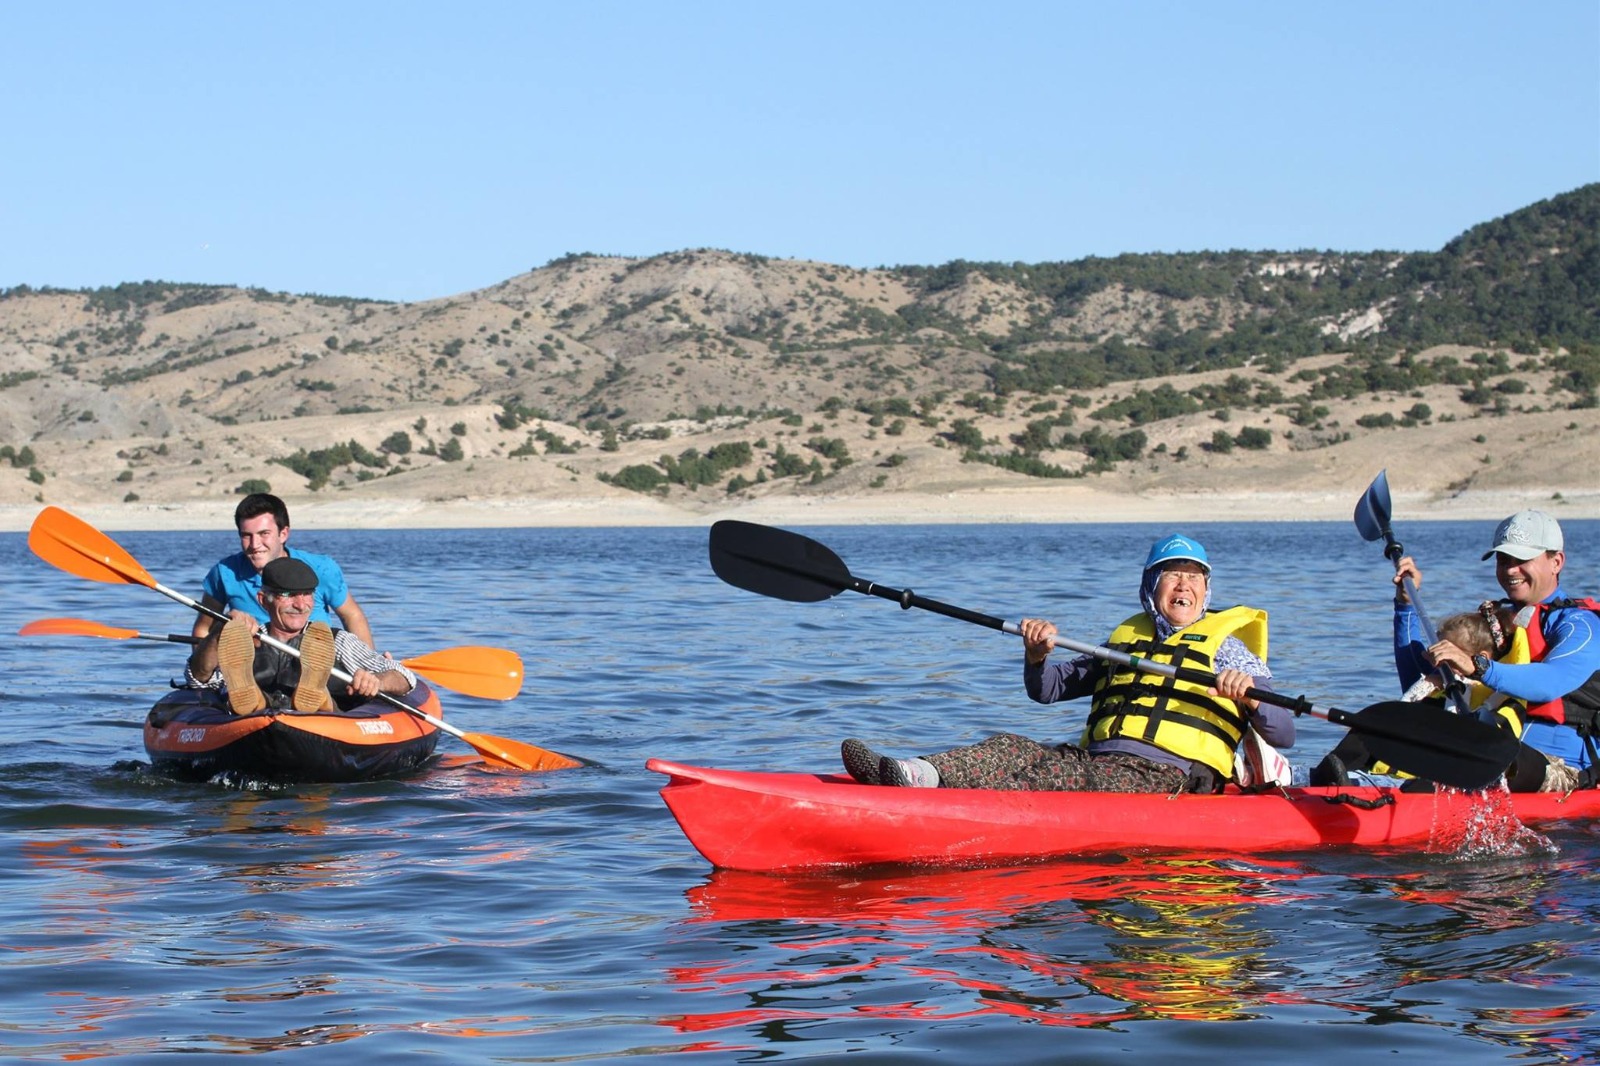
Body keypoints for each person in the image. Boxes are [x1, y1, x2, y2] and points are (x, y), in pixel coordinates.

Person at [840, 533, 1296, 793]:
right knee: (1012, 747)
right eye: (1172, 574)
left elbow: (1284, 732)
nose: (1184, 584)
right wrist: (1036, 655)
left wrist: (1251, 701)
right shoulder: (1126, 642)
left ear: (1205, 590)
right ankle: (914, 774)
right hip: (1099, 761)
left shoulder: (1229, 650)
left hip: (1168, 777)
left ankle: (948, 806)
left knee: (1059, 773)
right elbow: (1047, 690)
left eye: (1193, 576)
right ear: (1151, 586)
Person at [1400, 509, 1600, 791]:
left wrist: (1478, 667)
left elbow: (1551, 682)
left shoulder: (1580, 626)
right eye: (1503, 560)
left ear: (1556, 562)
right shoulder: (1496, 623)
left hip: (1561, 772)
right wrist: (1406, 606)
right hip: (1487, 752)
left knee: (1493, 757)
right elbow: (1421, 685)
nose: (1510, 569)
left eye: (1522, 560)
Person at [1310, 604, 1527, 787]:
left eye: (1449, 659)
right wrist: (1428, 684)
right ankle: (1328, 774)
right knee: (1369, 724)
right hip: (1399, 766)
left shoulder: (1496, 695)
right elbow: (1406, 702)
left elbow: (1492, 735)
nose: (1439, 666)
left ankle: (1351, 783)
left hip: (1432, 776)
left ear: (1480, 658)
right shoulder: (1438, 686)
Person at [186, 557, 416, 716]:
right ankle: (251, 697)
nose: (300, 605)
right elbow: (199, 679)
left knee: (323, 704)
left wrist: (377, 680)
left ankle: (318, 696)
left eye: (307, 594)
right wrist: (219, 634)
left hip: (323, 731)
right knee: (252, 704)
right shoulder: (243, 640)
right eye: (287, 595)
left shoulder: (336, 640)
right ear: (263, 599)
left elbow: (405, 677)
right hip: (255, 729)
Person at [191, 492, 373, 647]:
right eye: (246, 536)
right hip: (256, 669)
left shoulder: (322, 568)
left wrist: (369, 665)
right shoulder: (224, 573)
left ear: (283, 534)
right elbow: (203, 628)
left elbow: (352, 616)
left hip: (315, 665)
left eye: (264, 534)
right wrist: (202, 676)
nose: (254, 545)